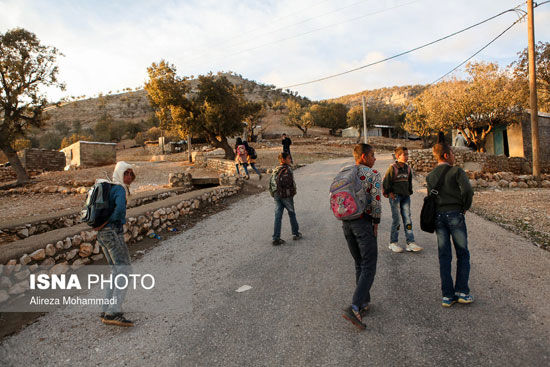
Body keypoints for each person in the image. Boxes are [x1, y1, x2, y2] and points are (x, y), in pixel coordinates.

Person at [426, 142, 474, 307]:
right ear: (446, 155)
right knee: (462, 253)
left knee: (444, 256)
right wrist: (464, 207)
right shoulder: (457, 171)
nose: (454, 156)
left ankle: (447, 295)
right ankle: (462, 292)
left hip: (439, 217)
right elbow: (468, 190)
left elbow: (431, 199)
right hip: (455, 215)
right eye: (452, 153)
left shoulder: (430, 175)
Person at [341, 144, 381, 330]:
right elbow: (376, 202)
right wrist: (375, 224)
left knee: (359, 263)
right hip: (363, 223)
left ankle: (364, 302)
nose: (375, 159)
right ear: (364, 156)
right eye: (373, 155)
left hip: (346, 223)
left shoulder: (345, 172)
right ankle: (355, 305)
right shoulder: (372, 174)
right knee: (369, 265)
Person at [94, 161, 136, 327]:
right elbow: (119, 212)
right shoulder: (118, 189)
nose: (130, 177)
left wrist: (102, 225)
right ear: (121, 173)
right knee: (125, 270)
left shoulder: (108, 187)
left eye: (131, 174)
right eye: (127, 173)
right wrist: (108, 223)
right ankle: (113, 311)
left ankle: (106, 309)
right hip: (112, 232)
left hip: (102, 234)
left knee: (115, 270)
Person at [383, 146, 422, 253]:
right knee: (396, 220)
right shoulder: (392, 168)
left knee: (407, 219)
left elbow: (409, 182)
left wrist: (409, 192)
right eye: (404, 154)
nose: (406, 156)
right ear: (397, 156)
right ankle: (393, 243)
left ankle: (410, 242)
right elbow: (386, 182)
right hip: (395, 197)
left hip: (405, 197)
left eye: (407, 154)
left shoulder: (408, 168)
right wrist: (390, 193)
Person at [269, 152, 301, 245]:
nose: (290, 160)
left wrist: (274, 195)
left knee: (278, 216)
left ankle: (276, 238)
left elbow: (271, 184)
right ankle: (295, 233)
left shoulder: (276, 169)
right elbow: (292, 184)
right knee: (292, 213)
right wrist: (292, 193)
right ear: (283, 160)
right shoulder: (288, 169)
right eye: (288, 158)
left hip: (276, 195)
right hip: (286, 195)